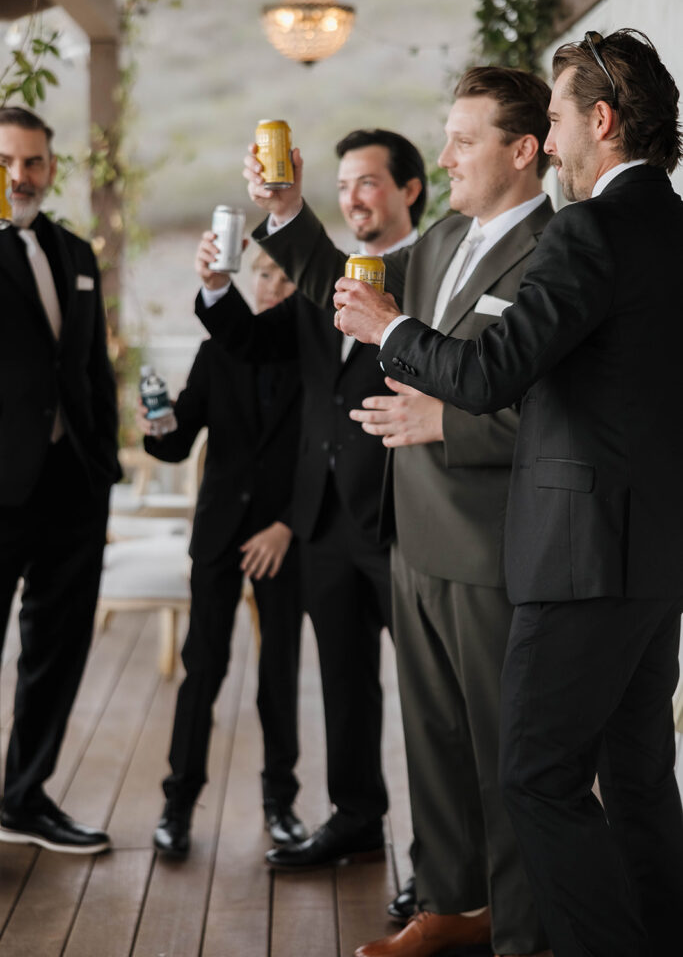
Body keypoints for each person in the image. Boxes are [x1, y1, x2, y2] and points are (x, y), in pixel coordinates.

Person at [333, 29, 683, 957]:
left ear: (599, 123)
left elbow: (489, 374)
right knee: (640, 778)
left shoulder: (589, 228)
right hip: (657, 556)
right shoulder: (675, 225)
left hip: (576, 559)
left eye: (560, 117)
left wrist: (389, 327)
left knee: (533, 778)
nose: (554, 135)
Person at [243, 69, 554, 957]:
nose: (445, 155)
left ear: (522, 150)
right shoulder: (448, 232)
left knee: (506, 760)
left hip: (491, 546)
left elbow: (558, 409)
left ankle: (519, 930)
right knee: (432, 744)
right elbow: (349, 290)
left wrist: (443, 420)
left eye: (463, 140)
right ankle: (451, 904)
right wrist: (288, 209)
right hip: (412, 534)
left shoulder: (558, 250)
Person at [196, 129, 427, 870]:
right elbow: (252, 343)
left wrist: (286, 211)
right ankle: (356, 817)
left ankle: (440, 859)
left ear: (409, 191)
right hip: (323, 518)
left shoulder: (433, 271)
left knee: (430, 701)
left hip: (402, 520)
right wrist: (213, 287)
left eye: (369, 182)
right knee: (344, 687)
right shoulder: (323, 287)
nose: (354, 197)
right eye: (346, 184)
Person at [141, 250, 306, 858]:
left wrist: (287, 525)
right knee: (201, 669)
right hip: (218, 533)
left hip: (284, 539)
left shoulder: (312, 352)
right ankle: (177, 804)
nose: (271, 287)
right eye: (263, 275)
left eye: (285, 279)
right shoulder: (219, 348)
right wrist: (156, 428)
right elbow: (179, 440)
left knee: (279, 674)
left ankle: (281, 803)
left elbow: (324, 457)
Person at [0, 107, 120, 854]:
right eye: (8, 160)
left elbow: (89, 372)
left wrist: (103, 464)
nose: (21, 175)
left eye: (34, 161)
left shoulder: (75, 251)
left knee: (58, 646)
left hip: (72, 483)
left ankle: (23, 797)